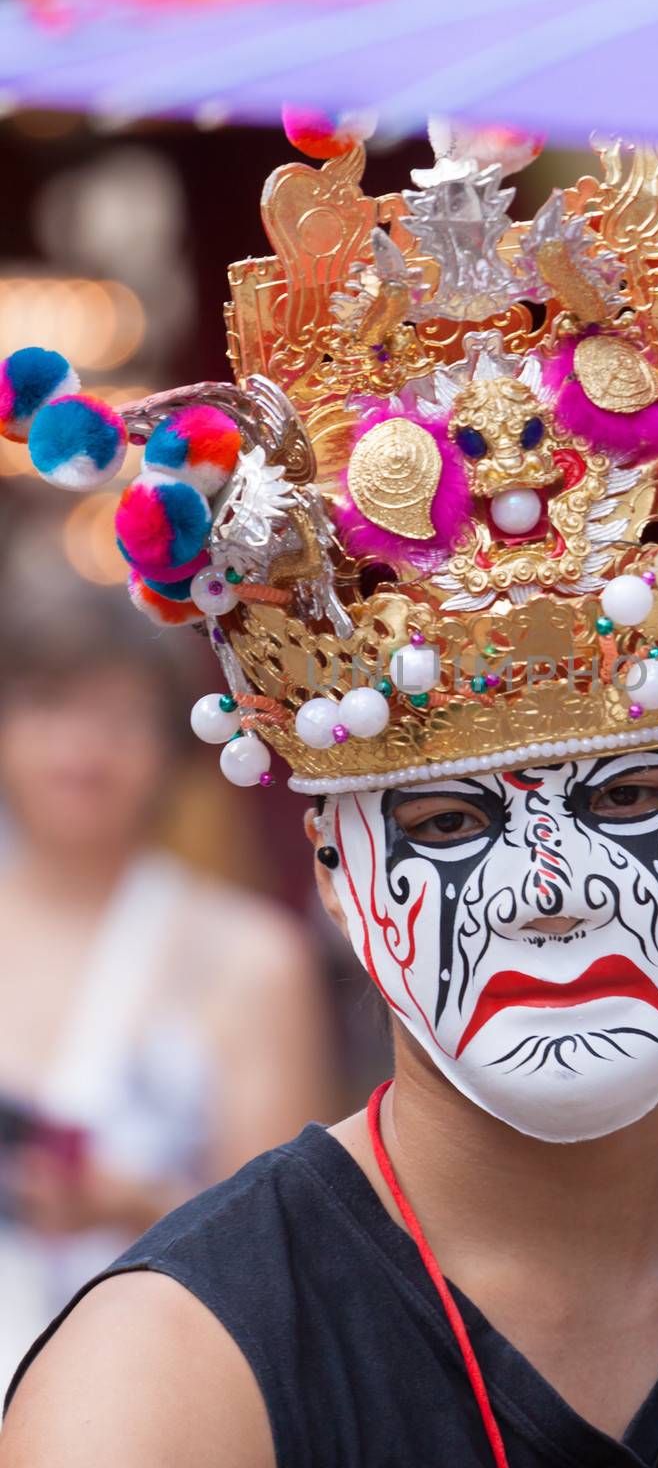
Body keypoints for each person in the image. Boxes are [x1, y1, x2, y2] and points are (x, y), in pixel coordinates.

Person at [3, 124, 658, 1466]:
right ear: (334, 867)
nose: (547, 890)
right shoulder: (164, 1390)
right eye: (448, 824)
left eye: (626, 796)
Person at [0, 552, 341, 1389]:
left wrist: (134, 1205)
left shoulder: (251, 958)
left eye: (119, 717)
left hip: (151, 1394)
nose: (82, 749)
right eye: (50, 707)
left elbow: (285, 1255)